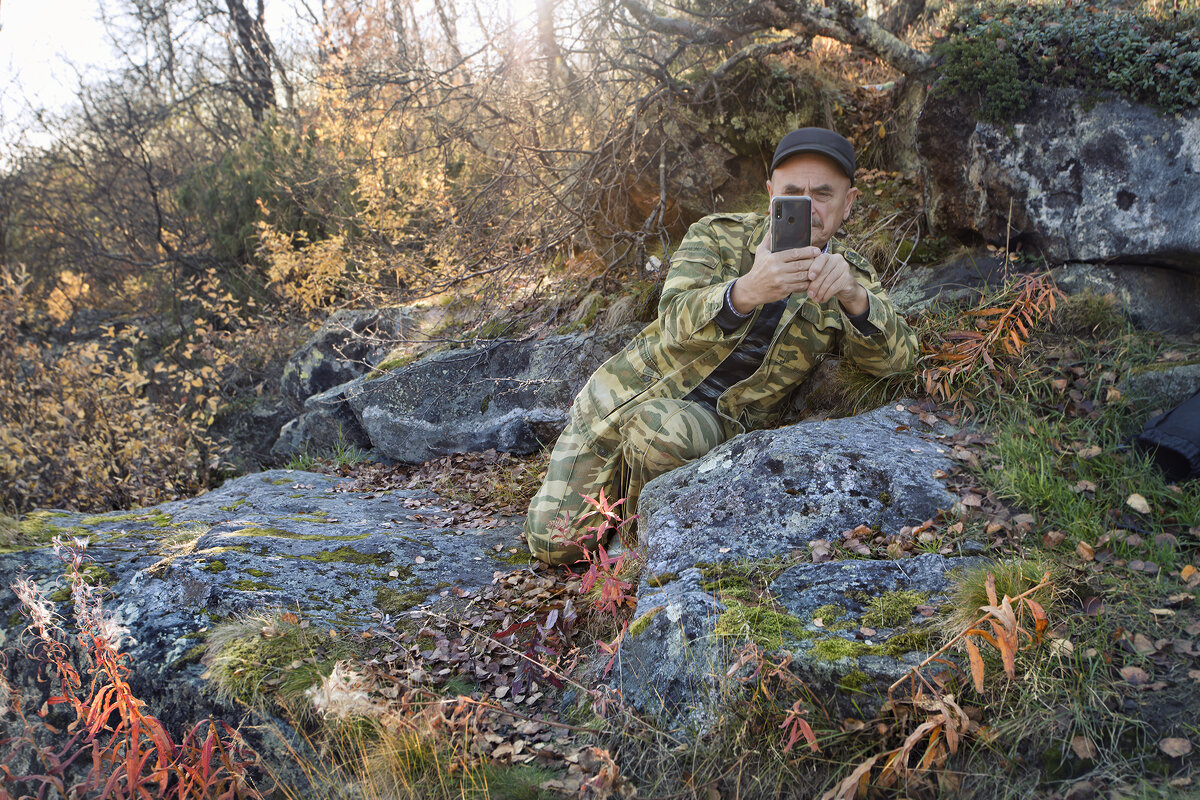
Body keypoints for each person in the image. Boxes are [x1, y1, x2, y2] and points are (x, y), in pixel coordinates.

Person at [525, 128, 918, 565]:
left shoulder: (849, 275)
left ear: (849, 202)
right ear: (771, 193)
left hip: (711, 426)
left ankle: (640, 553)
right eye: (792, 192)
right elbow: (672, 319)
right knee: (553, 547)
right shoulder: (717, 236)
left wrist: (854, 298)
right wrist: (746, 291)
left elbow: (898, 361)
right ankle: (613, 492)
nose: (808, 207)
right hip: (621, 401)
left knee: (661, 431)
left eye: (823, 194)